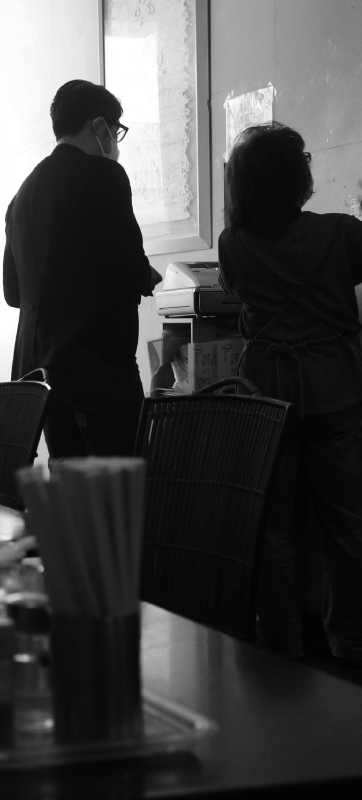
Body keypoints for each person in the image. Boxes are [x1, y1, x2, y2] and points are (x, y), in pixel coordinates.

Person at [217, 122, 362, 669]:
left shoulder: (235, 245)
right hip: (334, 390)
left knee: (272, 530)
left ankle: (280, 646)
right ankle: (352, 648)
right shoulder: (343, 234)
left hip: (267, 394)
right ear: (300, 177)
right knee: (347, 525)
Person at [3, 79, 161, 459]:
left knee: (70, 487)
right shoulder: (103, 175)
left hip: (37, 373)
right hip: (97, 368)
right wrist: (146, 275)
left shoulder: (22, 195)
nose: (116, 143)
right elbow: (126, 262)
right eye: (116, 131)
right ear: (99, 127)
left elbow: (13, 291)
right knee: (122, 487)